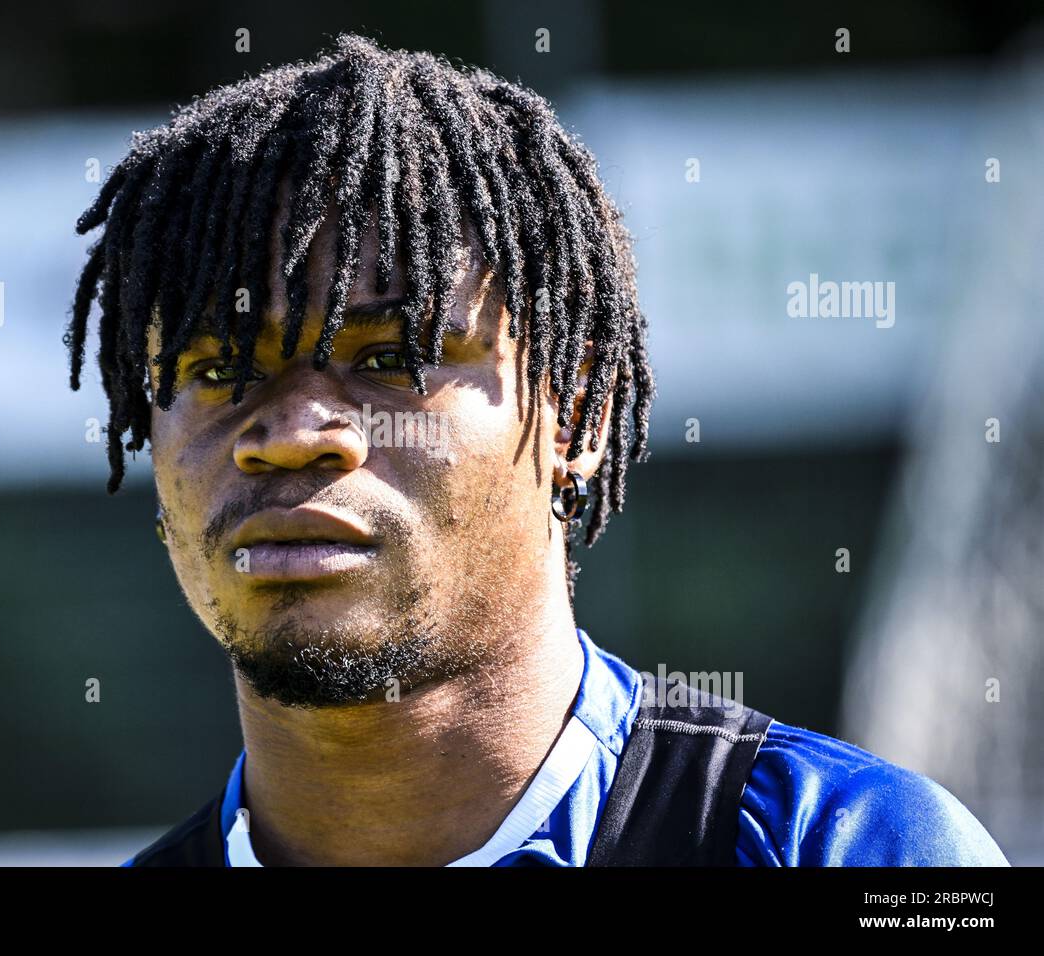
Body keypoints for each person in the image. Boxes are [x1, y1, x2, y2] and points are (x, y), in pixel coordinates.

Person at [65, 33, 1008, 866]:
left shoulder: (847, 847)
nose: (293, 437)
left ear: (579, 415)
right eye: (220, 371)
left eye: (389, 359)